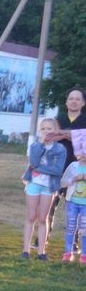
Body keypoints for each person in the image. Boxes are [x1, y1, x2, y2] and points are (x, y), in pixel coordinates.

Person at [21, 118, 67, 261]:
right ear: (40, 131)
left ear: (55, 131)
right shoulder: (35, 145)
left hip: (49, 186)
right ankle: (26, 250)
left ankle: (42, 251)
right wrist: (41, 144)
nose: (46, 132)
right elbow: (33, 161)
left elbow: (58, 170)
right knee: (30, 216)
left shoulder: (60, 149)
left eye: (49, 129)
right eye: (43, 129)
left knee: (43, 218)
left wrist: (39, 168)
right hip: (34, 183)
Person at [49, 87, 85, 252]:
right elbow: (51, 136)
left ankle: (75, 242)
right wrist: (75, 135)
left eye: (78, 98)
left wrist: (62, 133)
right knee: (50, 203)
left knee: (76, 206)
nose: (74, 101)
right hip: (58, 165)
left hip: (78, 168)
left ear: (83, 102)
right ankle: (43, 237)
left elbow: (59, 134)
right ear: (66, 102)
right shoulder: (58, 118)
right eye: (71, 98)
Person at [59, 148, 86, 264]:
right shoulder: (73, 166)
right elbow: (63, 182)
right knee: (70, 227)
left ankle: (84, 256)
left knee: (85, 229)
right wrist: (74, 179)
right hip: (72, 203)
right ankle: (67, 253)